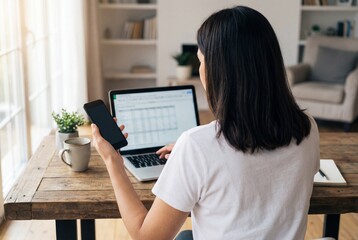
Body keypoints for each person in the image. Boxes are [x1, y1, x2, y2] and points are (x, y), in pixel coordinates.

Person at [91, 5, 320, 240]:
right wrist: (188, 157)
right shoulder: (308, 128)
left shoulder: (197, 146)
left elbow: (146, 236)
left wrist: (113, 161)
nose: (200, 69)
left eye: (201, 61)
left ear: (219, 72)